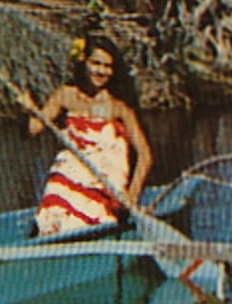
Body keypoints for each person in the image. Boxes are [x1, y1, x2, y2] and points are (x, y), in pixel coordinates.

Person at [20, 34, 153, 237]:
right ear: (84, 63)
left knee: (90, 215)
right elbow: (34, 129)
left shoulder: (118, 107)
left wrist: (131, 195)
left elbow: (144, 154)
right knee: (55, 197)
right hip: (71, 171)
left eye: (107, 66)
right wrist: (28, 110)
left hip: (105, 179)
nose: (101, 71)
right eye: (96, 63)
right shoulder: (67, 95)